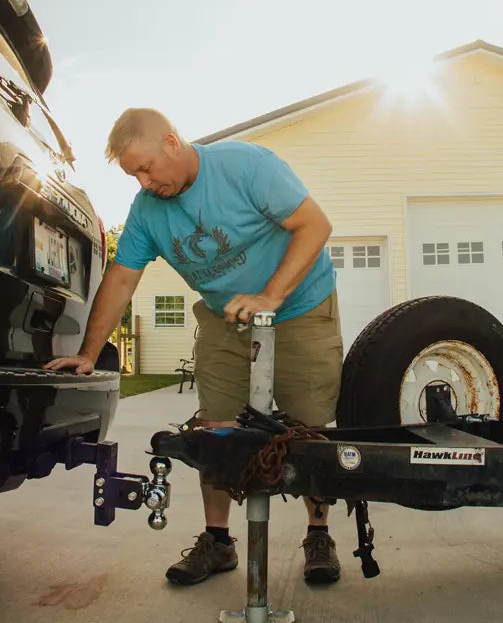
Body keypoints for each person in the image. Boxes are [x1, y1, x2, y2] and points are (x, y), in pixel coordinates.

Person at [46, 107, 344, 585]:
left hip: (300, 307)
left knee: (308, 429)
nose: (144, 183)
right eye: (133, 175)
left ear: (172, 142)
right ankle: (218, 541)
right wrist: (88, 352)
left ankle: (318, 534)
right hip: (227, 319)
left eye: (146, 168)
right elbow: (121, 280)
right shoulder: (147, 210)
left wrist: (270, 297)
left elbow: (315, 225)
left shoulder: (247, 167)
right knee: (215, 429)